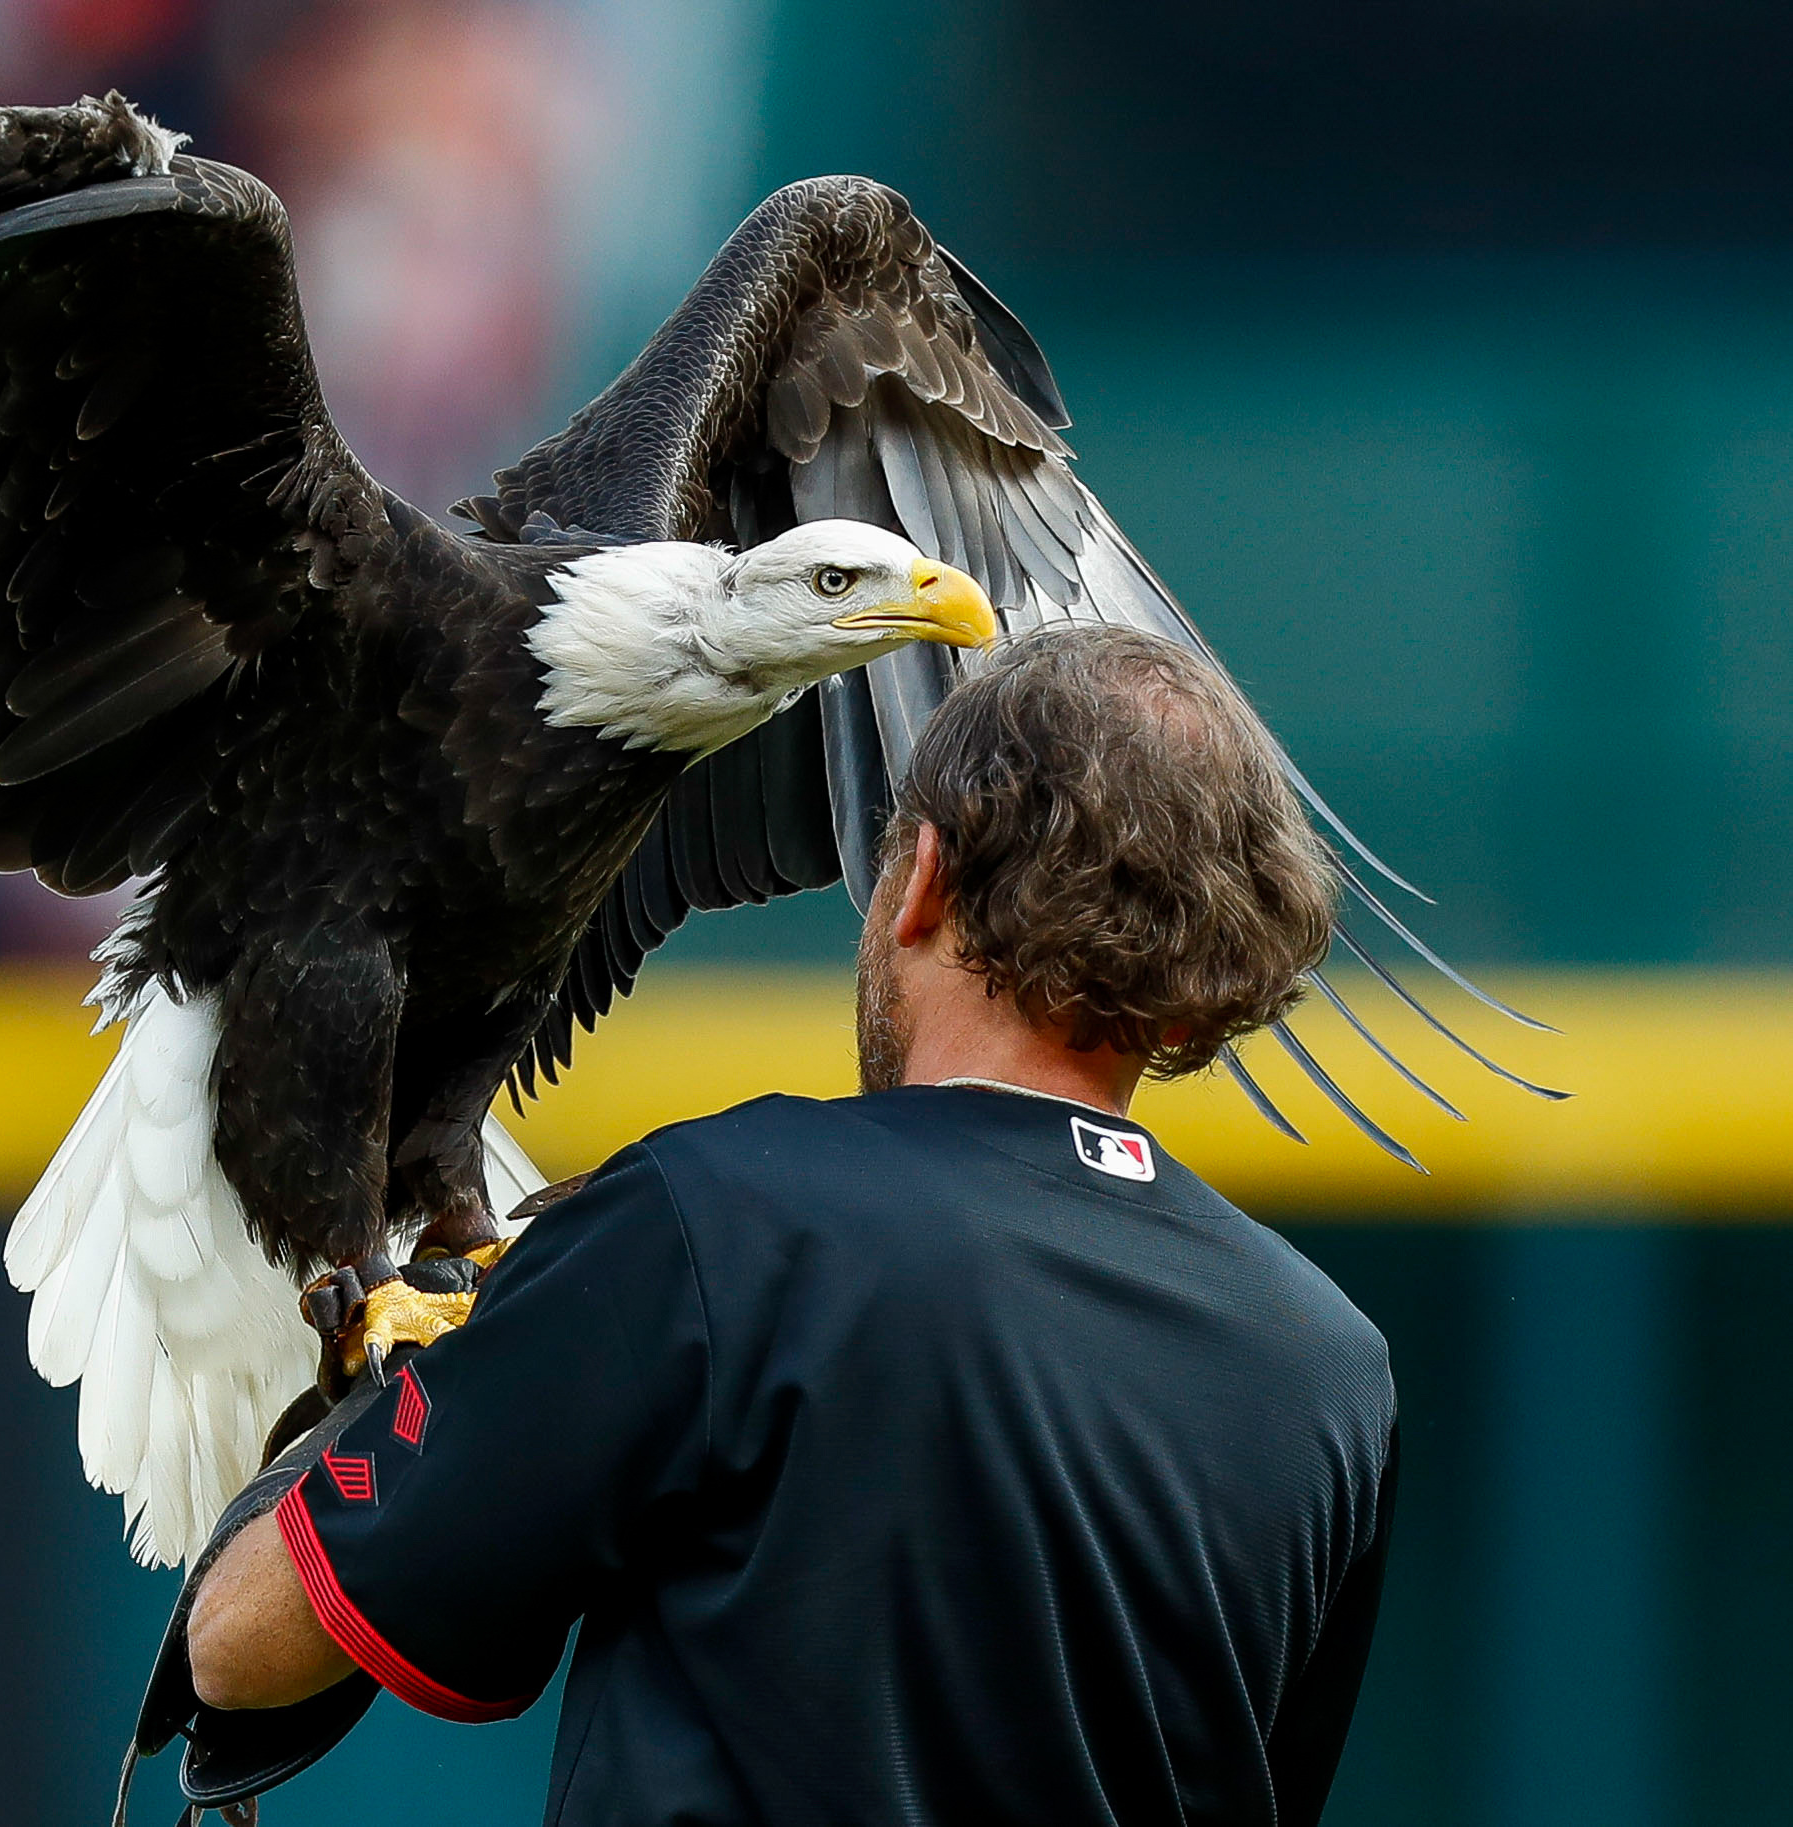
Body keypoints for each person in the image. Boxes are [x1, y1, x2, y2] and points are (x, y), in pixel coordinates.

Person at [183, 623, 1398, 1826]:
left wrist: (432, 1374)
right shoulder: (1329, 1371)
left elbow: (242, 1646)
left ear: (926, 875)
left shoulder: (718, 1219)